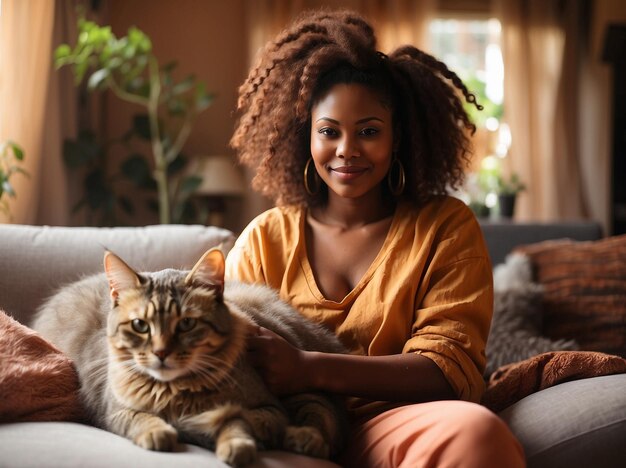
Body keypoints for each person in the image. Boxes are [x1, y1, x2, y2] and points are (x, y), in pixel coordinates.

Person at [225, 9, 526, 468]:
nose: (347, 149)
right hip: (287, 428)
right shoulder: (264, 240)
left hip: (399, 424)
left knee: (478, 433)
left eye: (368, 131)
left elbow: (450, 371)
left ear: (397, 138)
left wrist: (309, 367)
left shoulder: (445, 227)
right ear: (306, 136)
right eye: (329, 132)